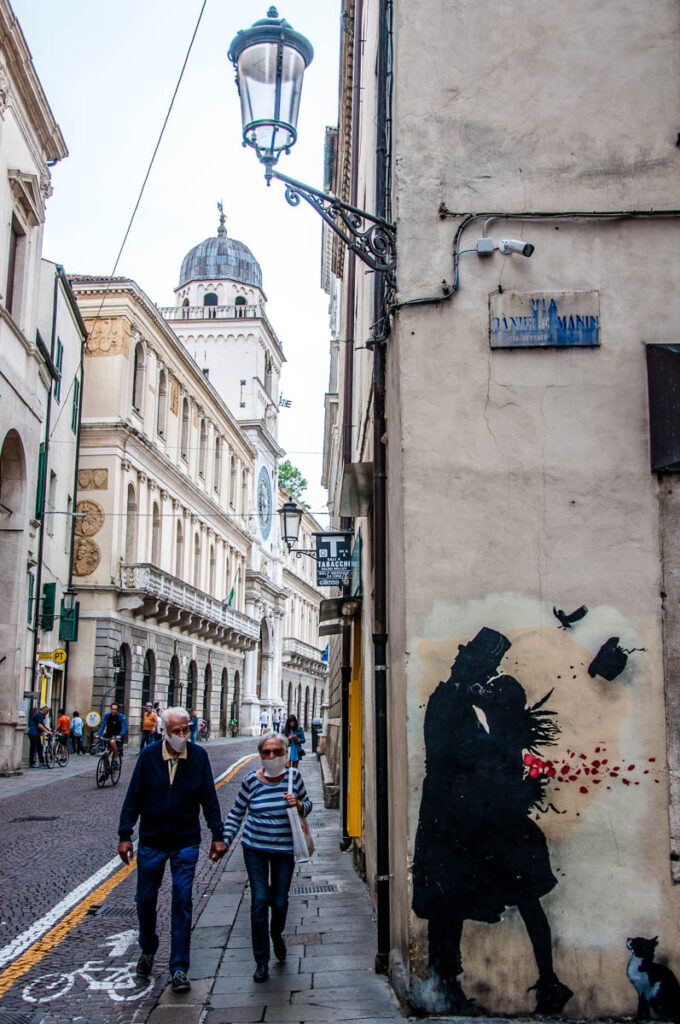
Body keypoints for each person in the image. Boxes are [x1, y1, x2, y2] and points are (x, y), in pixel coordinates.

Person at [412, 628, 573, 1015]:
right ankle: (444, 985)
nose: (482, 672)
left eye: (485, 665)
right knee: (448, 903)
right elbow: (453, 756)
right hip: (451, 820)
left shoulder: (475, 699)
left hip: (482, 820)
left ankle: (546, 981)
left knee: (503, 896)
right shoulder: (450, 699)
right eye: (479, 663)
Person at [118, 707, 226, 994]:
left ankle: (179, 967)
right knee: (145, 898)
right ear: (163, 732)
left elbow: (209, 798)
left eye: (185, 730)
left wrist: (218, 834)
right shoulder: (148, 757)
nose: (182, 736)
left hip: (185, 842)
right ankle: (148, 948)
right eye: (176, 731)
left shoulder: (199, 757)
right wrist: (125, 834)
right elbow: (134, 797)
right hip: (152, 841)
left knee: (182, 900)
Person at [223, 731, 312, 982]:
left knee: (280, 902)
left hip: (284, 850)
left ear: (284, 754)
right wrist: (224, 841)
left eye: (276, 752)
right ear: (260, 755)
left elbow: (308, 805)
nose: (271, 756)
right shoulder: (251, 780)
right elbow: (236, 813)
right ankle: (261, 960)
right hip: (254, 848)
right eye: (266, 752)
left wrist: (298, 804)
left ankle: (276, 935)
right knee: (260, 900)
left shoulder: (294, 778)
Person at [27, 704, 51, 768]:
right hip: (33, 733)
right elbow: (40, 726)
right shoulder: (40, 715)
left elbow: (41, 724)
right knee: (34, 748)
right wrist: (47, 731)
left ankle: (41, 761)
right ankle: (32, 762)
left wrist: (47, 729)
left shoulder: (40, 715)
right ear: (45, 711)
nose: (47, 714)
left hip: (35, 734)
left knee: (39, 747)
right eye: (47, 712)